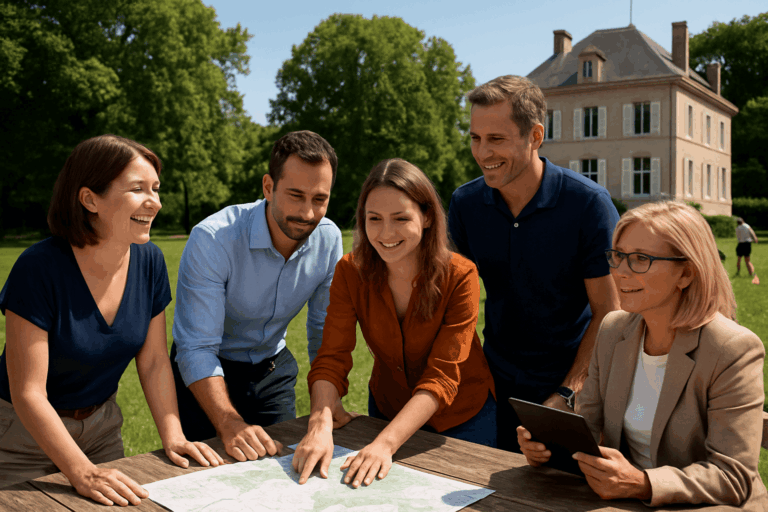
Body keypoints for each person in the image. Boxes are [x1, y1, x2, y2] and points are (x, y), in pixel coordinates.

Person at [0, 135, 222, 505]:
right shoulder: (39, 268)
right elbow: (29, 393)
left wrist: (174, 435)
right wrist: (82, 471)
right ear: (90, 199)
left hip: (102, 429)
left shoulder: (149, 261)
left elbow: (152, 362)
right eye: (138, 189)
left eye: (156, 188)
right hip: (20, 437)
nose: (155, 202)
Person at [518, 201, 768, 509]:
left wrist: (643, 483)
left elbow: (733, 477)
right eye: (618, 256)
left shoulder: (733, 348)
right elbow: (588, 422)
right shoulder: (613, 329)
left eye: (640, 259)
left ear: (686, 274)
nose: (620, 272)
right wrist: (550, 444)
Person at [292, 158, 496, 488]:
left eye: (401, 218)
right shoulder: (350, 272)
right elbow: (331, 358)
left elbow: (442, 377)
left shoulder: (461, 276)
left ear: (427, 216)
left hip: (464, 419)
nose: (386, 233)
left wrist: (385, 445)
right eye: (374, 219)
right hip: (387, 408)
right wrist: (319, 421)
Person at [448, 75, 620, 451]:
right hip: (493, 384)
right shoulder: (465, 204)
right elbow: (447, 298)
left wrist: (567, 395)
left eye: (496, 139)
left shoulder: (589, 204)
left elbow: (609, 313)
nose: (482, 153)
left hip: (572, 385)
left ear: (535, 136)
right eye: (476, 138)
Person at [171, 130, 343, 463]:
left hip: (272, 372)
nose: (308, 213)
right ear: (268, 187)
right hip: (206, 375)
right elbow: (196, 347)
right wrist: (229, 422)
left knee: (284, 472)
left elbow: (324, 333)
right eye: (295, 195)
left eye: (319, 199)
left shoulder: (329, 239)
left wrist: (325, 408)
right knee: (208, 485)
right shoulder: (213, 239)